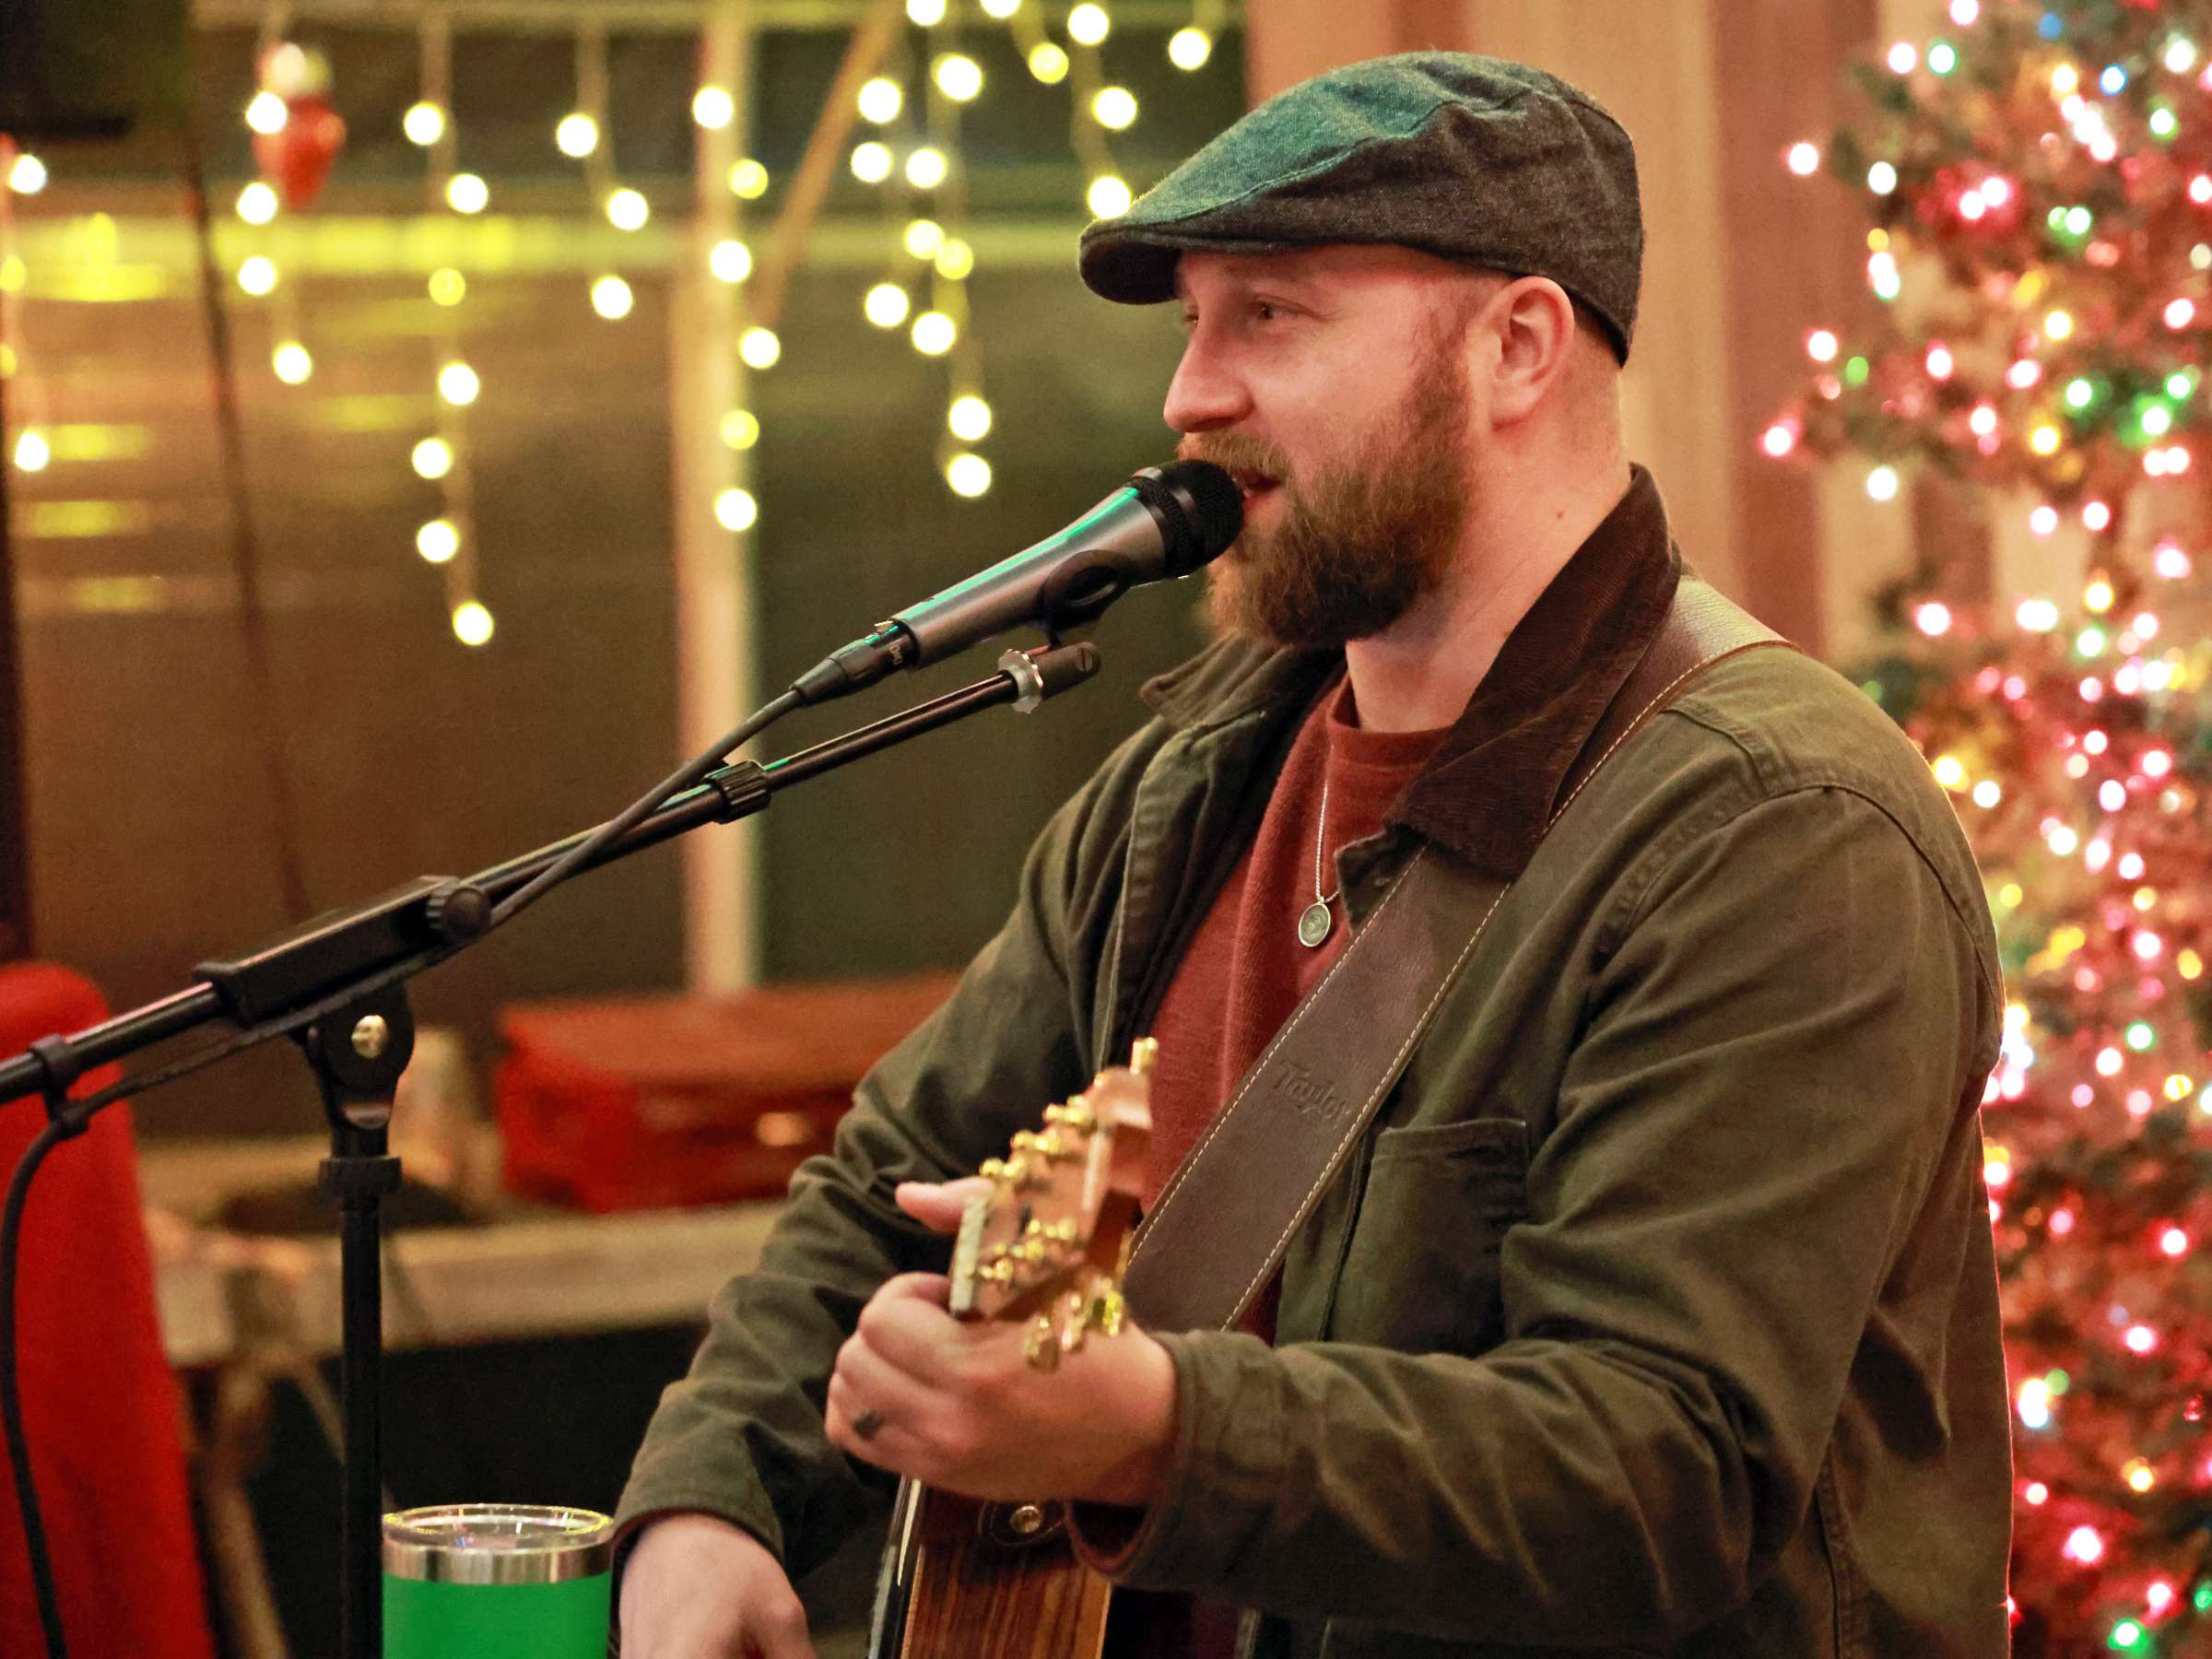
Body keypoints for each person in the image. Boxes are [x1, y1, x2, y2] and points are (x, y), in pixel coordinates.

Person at [615, 53, 2012, 1658]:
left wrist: (1151, 1429)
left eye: (1269, 316)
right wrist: (713, 1502)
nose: (1190, 395)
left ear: (1517, 347)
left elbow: (1660, 1468)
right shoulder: (1199, 773)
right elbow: (888, 1182)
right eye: (1194, 323)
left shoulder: (1780, 827)